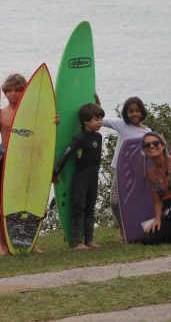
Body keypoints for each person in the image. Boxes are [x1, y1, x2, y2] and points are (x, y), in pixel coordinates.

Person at [0, 73, 26, 255]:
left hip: (26, 161)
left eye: (18, 90)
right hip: (5, 160)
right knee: (4, 203)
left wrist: (55, 121)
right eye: (9, 91)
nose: (14, 94)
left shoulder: (32, 113)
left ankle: (28, 241)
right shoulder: (1, 114)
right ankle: (2, 245)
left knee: (27, 203)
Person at [53, 103, 104, 250]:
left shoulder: (99, 137)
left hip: (93, 178)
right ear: (86, 121)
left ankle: (89, 239)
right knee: (78, 208)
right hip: (81, 178)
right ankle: (77, 241)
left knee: (90, 208)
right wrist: (56, 172)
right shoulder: (80, 138)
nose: (100, 122)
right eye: (96, 119)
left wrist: (97, 102)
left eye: (101, 118)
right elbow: (67, 154)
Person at [100, 96, 151, 240]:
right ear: (126, 113)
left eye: (137, 110)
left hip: (139, 173)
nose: (134, 114)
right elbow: (100, 120)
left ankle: (136, 229)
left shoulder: (147, 132)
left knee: (136, 202)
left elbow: (152, 151)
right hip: (121, 171)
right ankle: (123, 227)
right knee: (116, 202)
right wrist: (96, 105)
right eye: (130, 111)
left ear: (142, 111)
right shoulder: (121, 125)